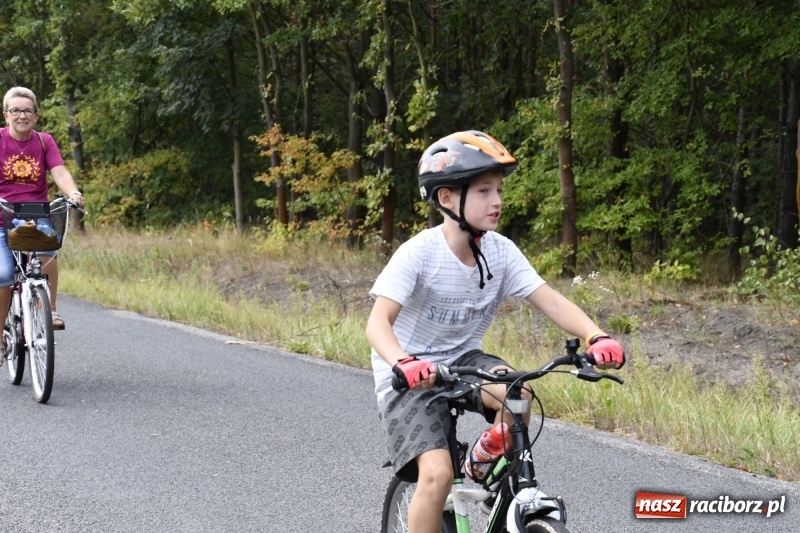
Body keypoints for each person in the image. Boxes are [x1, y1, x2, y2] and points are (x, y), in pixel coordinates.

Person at [365, 130, 625, 533]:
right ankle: (453, 478)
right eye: (484, 191)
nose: (498, 200)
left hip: (465, 360)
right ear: (447, 198)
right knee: (436, 475)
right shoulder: (419, 253)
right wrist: (404, 361)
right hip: (410, 375)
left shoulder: (500, 251)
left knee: (519, 393)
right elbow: (377, 323)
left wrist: (597, 336)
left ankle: (483, 465)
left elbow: (550, 299)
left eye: (499, 189)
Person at [0, 86, 85, 344]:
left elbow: (59, 172)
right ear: (6, 115)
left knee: (49, 249)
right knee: (4, 274)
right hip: (2, 218)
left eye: (27, 111)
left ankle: (52, 310)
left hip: (36, 215)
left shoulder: (44, 141)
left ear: (36, 115)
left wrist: (73, 193)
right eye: (15, 110)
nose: (21, 115)